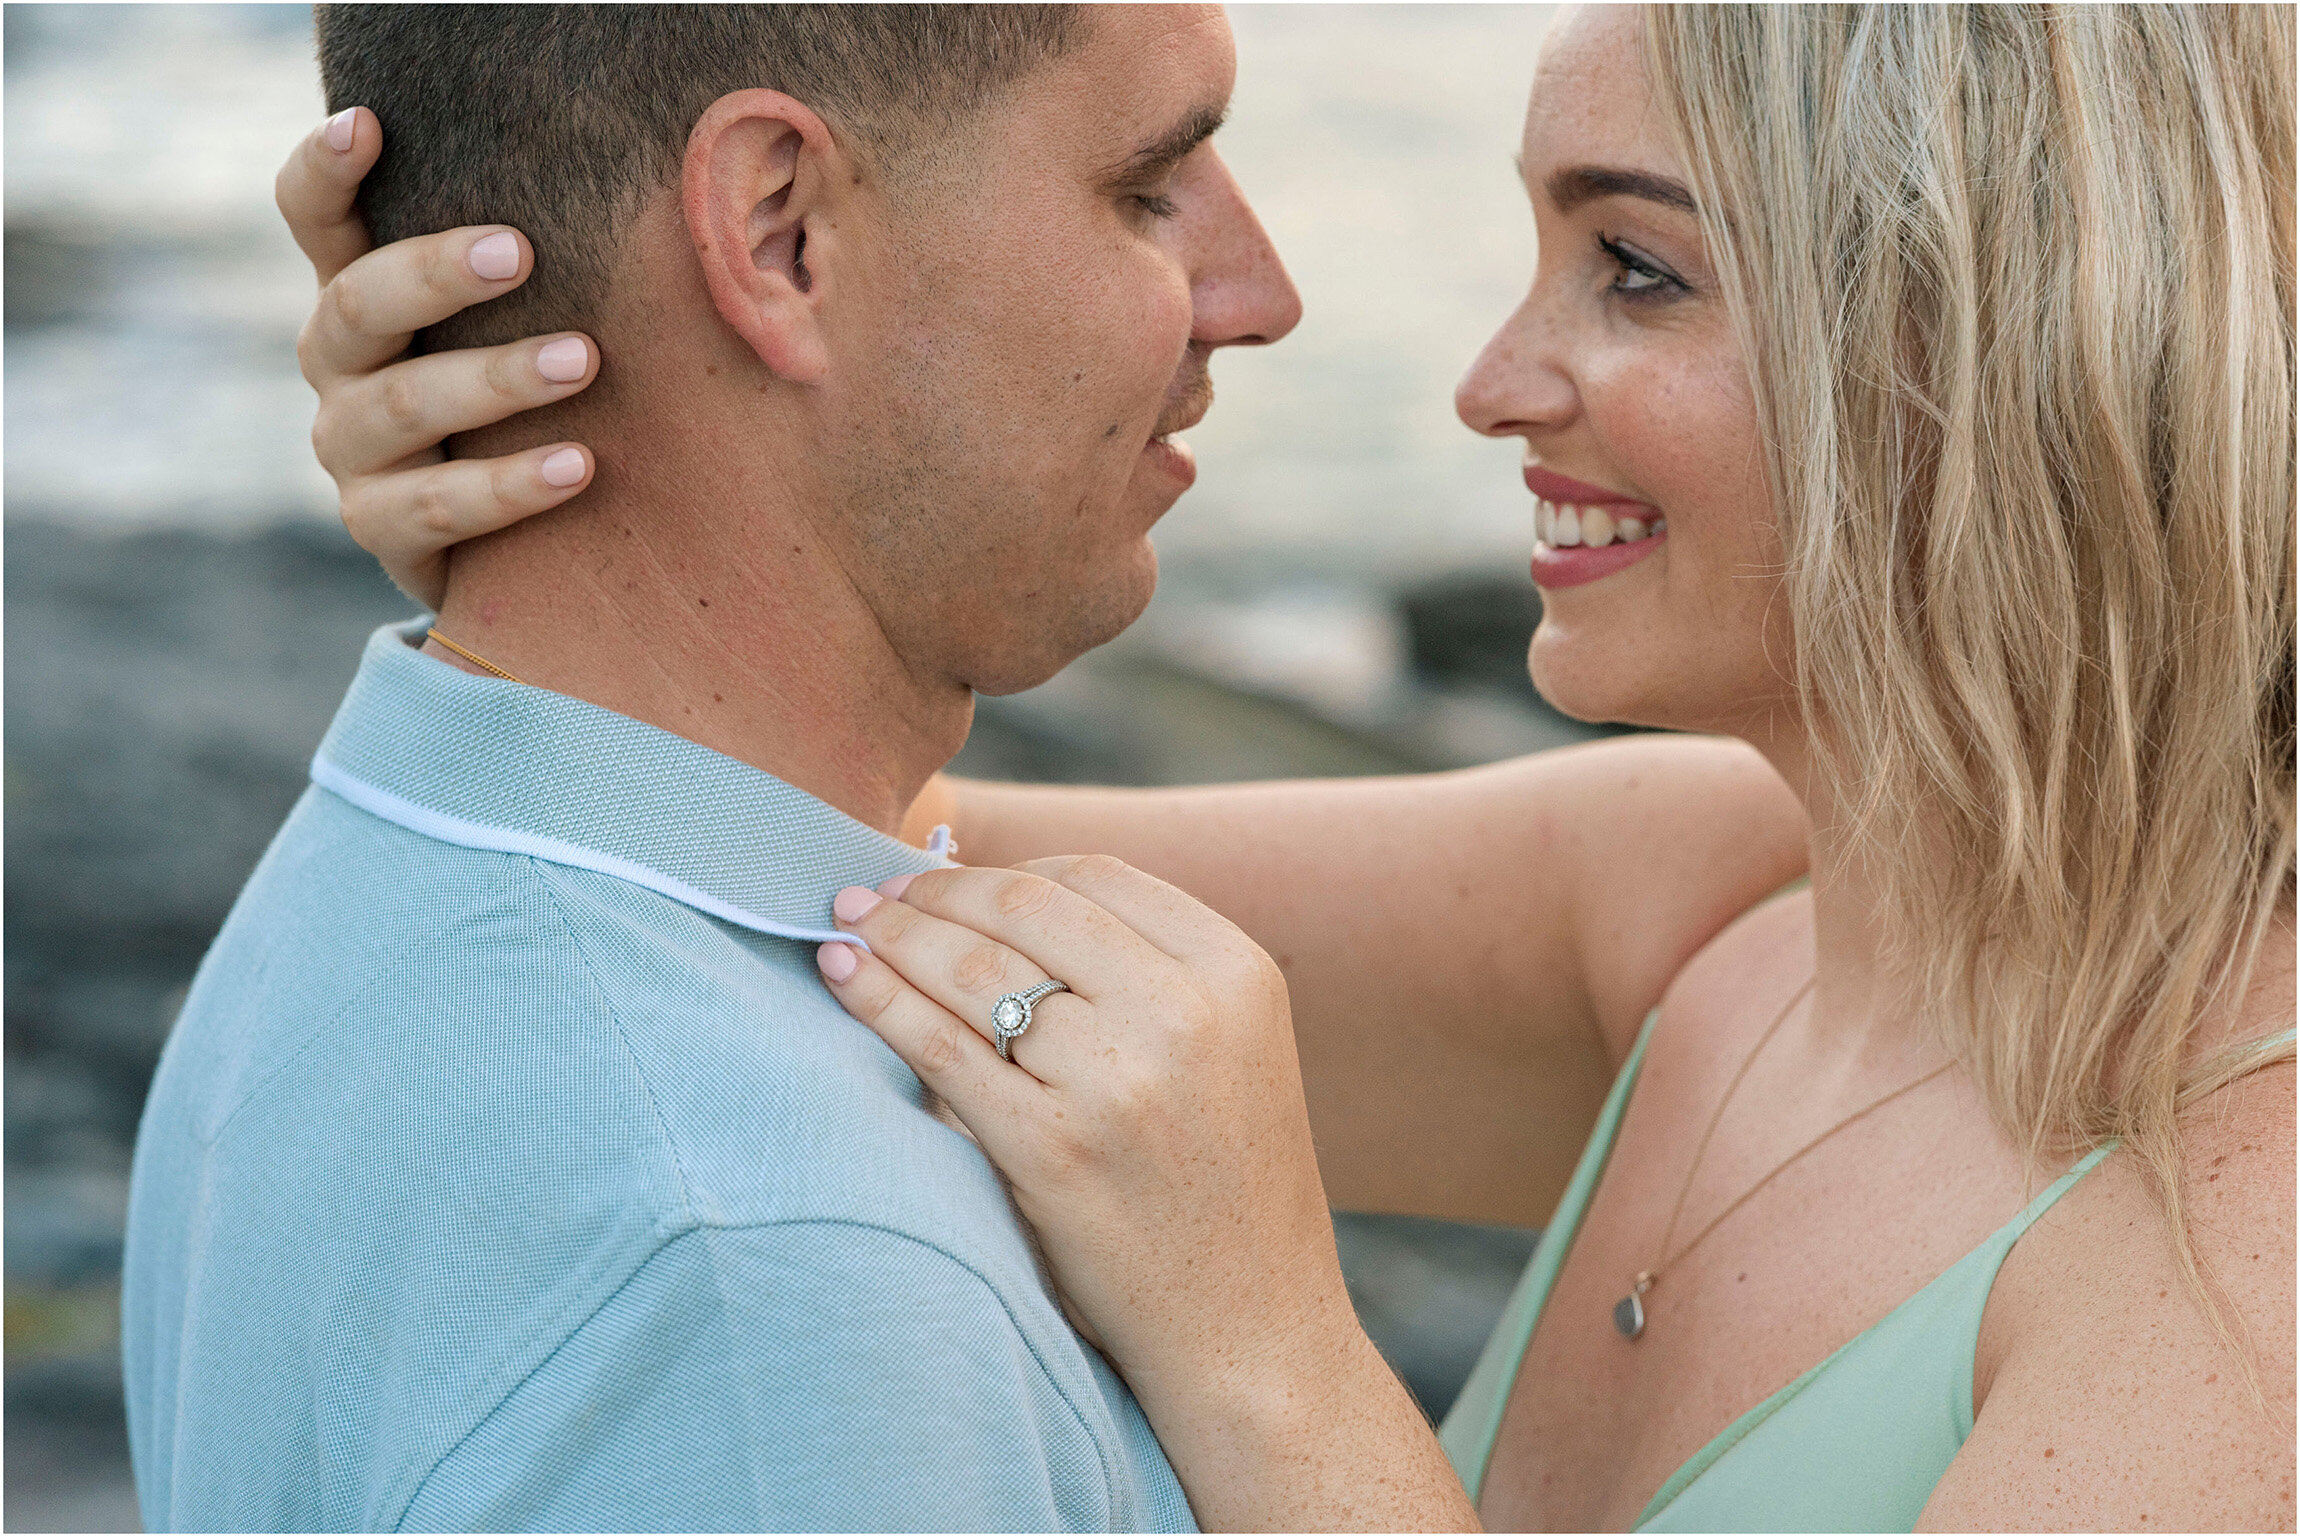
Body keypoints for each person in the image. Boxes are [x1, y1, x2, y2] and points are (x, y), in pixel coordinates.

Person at [284, 3, 2298, 1531]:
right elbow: (786, 853)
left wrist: (1267, 1358)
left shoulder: (2250, 1250)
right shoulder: (1727, 906)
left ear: (2005, 347)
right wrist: (579, 462)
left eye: (1639, 270)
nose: (1494, 380)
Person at [122, 6, 1313, 1531]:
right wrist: (1285, 1365)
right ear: (778, 233)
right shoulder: (771, 1288)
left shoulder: (374, 869)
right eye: (1148, 189)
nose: (1259, 293)